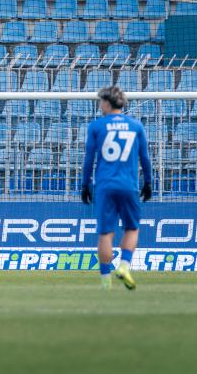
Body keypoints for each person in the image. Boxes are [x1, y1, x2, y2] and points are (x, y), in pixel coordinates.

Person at [81, 86, 152, 290]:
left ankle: (106, 282)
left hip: (104, 185)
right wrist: (148, 182)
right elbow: (145, 158)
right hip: (129, 185)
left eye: (101, 101)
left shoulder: (96, 126)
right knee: (132, 228)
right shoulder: (136, 126)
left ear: (107, 102)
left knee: (105, 233)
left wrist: (85, 184)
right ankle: (124, 266)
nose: (99, 105)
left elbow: (89, 159)